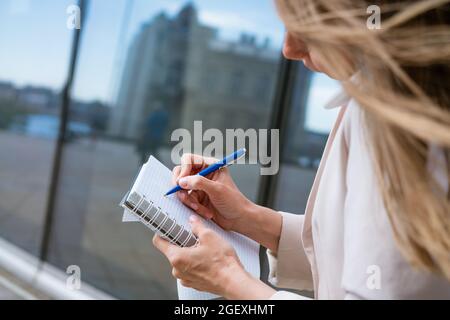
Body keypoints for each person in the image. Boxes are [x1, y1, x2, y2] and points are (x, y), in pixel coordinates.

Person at [153, 0, 450, 299]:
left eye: (307, 26)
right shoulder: (382, 100)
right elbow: (353, 260)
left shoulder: (397, 127)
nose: (289, 49)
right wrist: (246, 217)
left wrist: (227, 278)